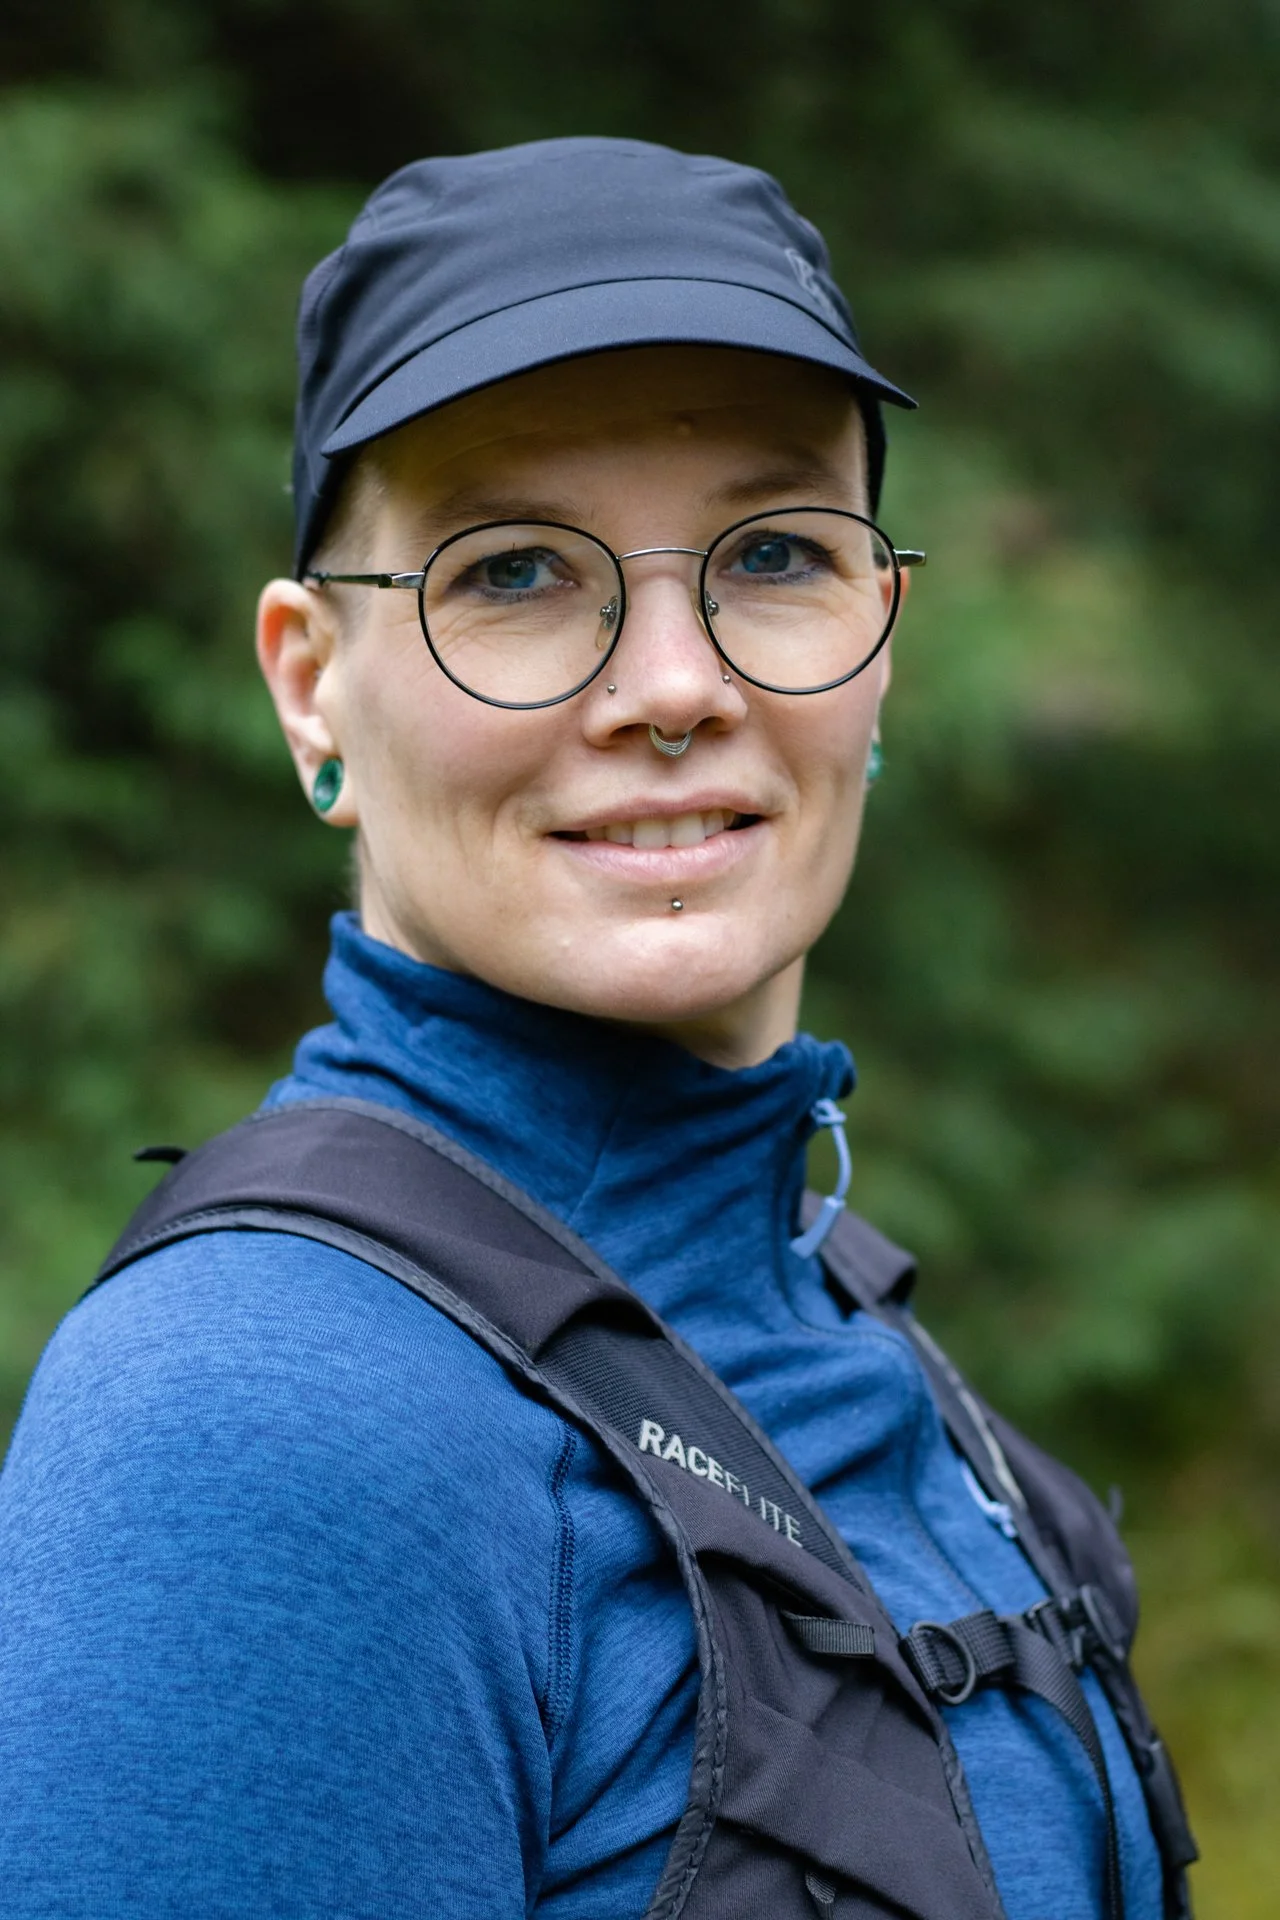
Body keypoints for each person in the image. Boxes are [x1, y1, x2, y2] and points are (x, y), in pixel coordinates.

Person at [0, 137, 1193, 1919]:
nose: (672, 686)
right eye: (513, 573)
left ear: (883, 634)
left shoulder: (845, 1329)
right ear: (311, 684)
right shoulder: (270, 1425)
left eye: (776, 550)